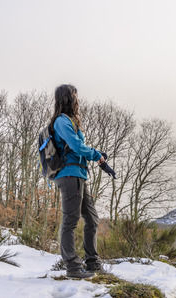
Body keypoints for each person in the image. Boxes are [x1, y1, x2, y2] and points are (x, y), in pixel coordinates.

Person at [50, 84, 105, 279]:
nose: (78, 100)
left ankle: (92, 262)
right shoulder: (61, 121)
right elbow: (76, 146)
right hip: (68, 175)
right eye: (75, 96)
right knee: (71, 220)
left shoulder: (70, 121)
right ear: (68, 98)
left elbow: (77, 145)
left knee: (92, 219)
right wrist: (96, 154)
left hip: (79, 175)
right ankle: (72, 266)